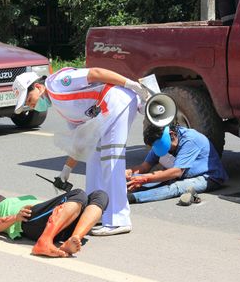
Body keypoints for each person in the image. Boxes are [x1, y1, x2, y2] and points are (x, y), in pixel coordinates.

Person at [12, 68, 150, 236]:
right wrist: (66, 170)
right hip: (106, 114)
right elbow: (81, 142)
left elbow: (95, 74)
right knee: (93, 161)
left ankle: (118, 219)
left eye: (28, 99)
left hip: (117, 102)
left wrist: (131, 84)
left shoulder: (57, 83)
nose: (30, 105)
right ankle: (96, 213)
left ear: (38, 87)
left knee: (111, 159)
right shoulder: (61, 107)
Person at [0, 188, 109, 257]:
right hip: (29, 219)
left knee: (100, 195)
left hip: (60, 224)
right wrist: (15, 218)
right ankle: (44, 241)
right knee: (78, 193)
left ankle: (74, 238)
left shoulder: (18, 199)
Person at [126, 124, 228, 204]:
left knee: (175, 187)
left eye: (167, 148)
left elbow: (177, 172)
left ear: (172, 134)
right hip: (181, 174)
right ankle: (119, 189)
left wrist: (145, 179)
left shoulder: (190, 139)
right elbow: (145, 166)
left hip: (207, 177)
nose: (167, 152)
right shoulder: (159, 140)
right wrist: (129, 172)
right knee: (138, 179)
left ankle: (132, 198)